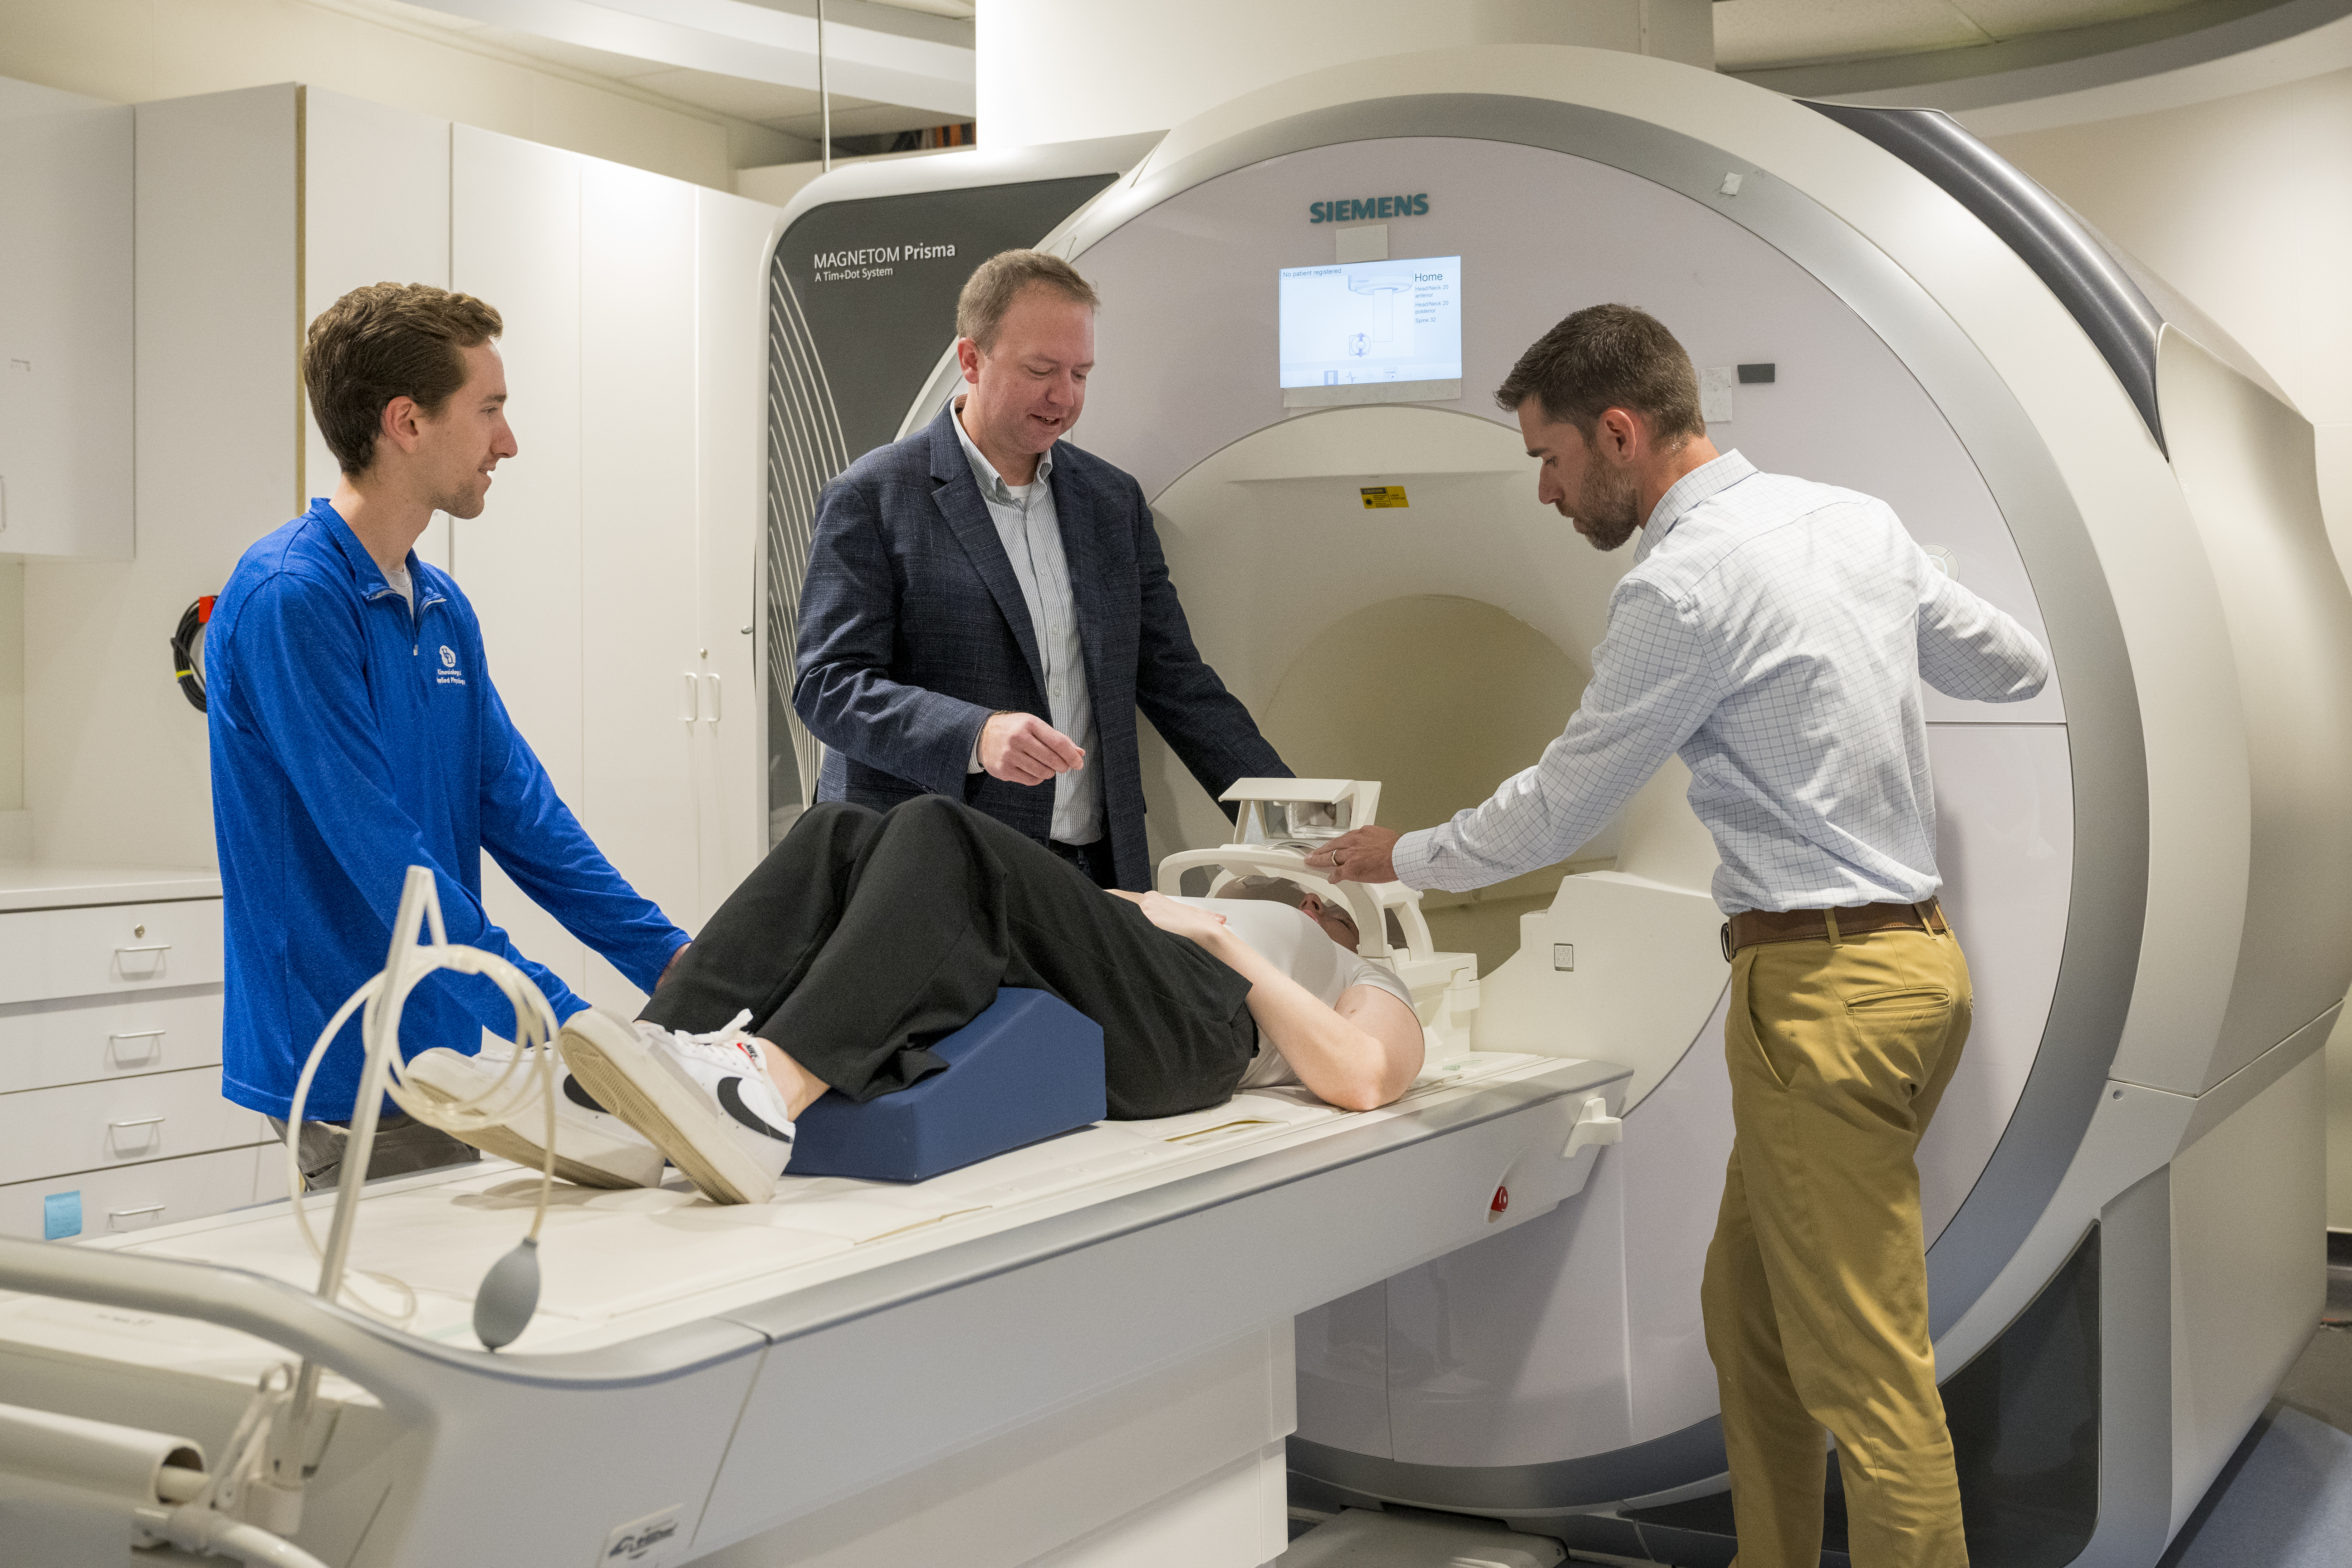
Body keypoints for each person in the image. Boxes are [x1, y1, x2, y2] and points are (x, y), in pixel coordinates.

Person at [1308, 304, 2050, 1568]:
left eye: (1550, 458)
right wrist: (1890, 588)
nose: (1545, 492)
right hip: (1916, 972)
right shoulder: (1854, 523)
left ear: (1620, 430)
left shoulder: (1682, 585)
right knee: (1747, 1315)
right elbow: (2014, 668)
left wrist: (1406, 857)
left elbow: (1563, 806)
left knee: (1869, 1378)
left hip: (1820, 996)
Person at [208, 283, 690, 1190]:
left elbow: (523, 816)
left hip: (445, 1045)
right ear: (407, 423)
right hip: (343, 1061)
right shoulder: (291, 599)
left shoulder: (439, 604)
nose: (509, 441)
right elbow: (387, 864)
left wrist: (673, 958)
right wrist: (568, 1025)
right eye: (491, 410)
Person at [412, 795, 1425, 1205]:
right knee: (840, 832)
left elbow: (1365, 1079)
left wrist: (1224, 940)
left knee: (941, 828)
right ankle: (627, 1097)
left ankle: (764, 1091)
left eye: (1318, 887)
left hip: (1204, 1027)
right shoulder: (1211, 903)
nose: (1300, 885)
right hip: (1141, 975)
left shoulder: (1368, 975)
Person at [793, 248, 1289, 891]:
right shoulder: (876, 495)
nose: (1065, 397)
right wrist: (977, 733)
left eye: (1082, 373)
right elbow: (828, 686)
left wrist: (1292, 825)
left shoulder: (1111, 503)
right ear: (971, 359)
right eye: (1041, 370)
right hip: (938, 867)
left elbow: (1177, 682)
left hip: (1090, 867)